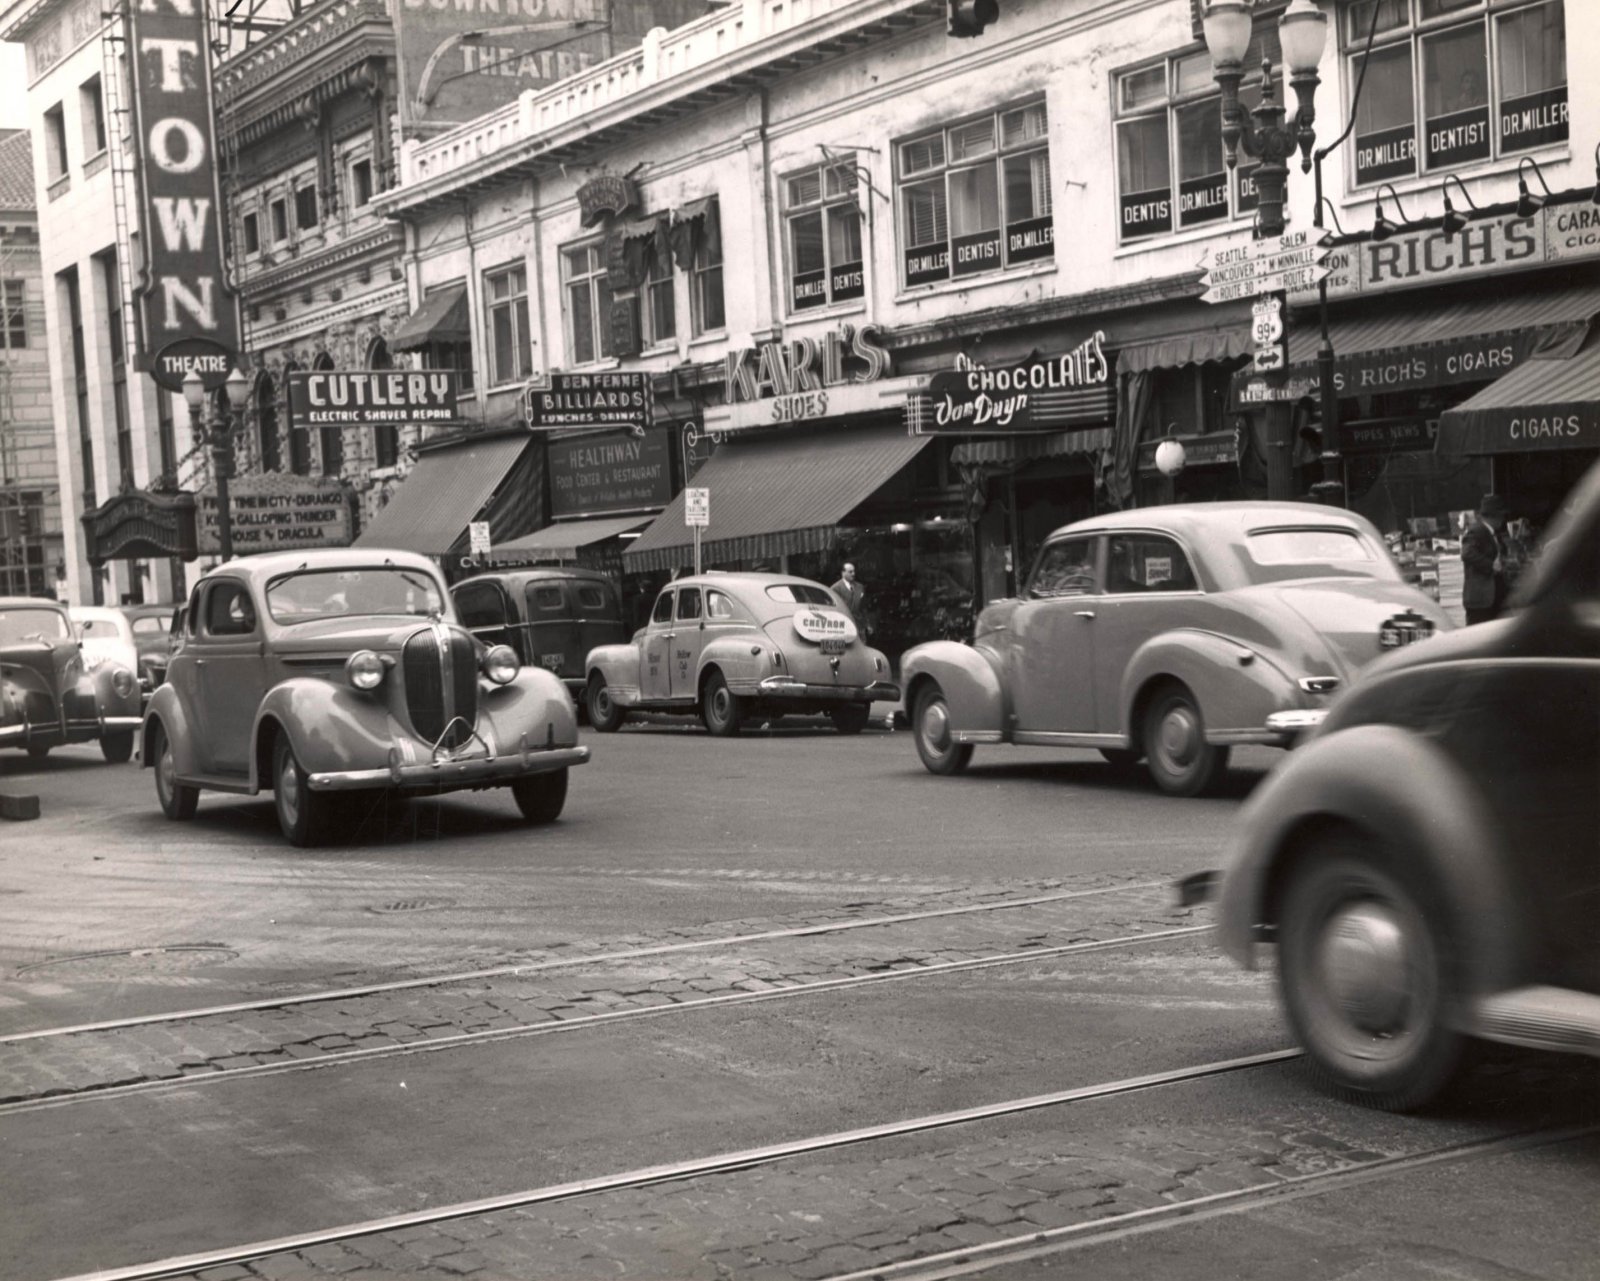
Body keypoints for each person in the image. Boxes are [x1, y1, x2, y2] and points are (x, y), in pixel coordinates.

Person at [1461, 493, 1510, 624]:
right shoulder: (1477, 531)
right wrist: (1491, 565)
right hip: (1481, 600)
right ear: (1494, 516)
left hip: (1490, 598)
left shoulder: (1492, 532)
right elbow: (1467, 553)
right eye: (1501, 515)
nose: (1503, 519)